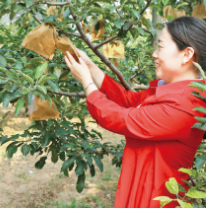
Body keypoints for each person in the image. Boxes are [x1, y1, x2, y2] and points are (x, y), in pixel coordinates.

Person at [64, 16, 206, 208]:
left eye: (161, 47)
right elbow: (128, 101)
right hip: (145, 186)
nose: (154, 54)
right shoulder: (174, 91)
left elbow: (122, 118)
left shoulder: (186, 103)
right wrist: (90, 66)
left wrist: (87, 83)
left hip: (157, 197)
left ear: (187, 54)